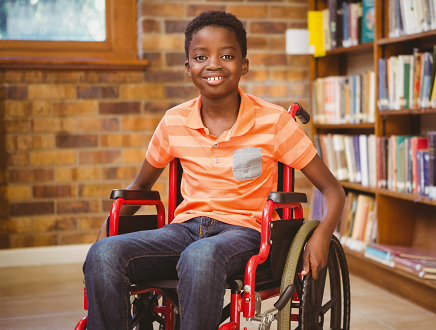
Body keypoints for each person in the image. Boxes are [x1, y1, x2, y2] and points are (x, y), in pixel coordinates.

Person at [83, 10, 345, 330]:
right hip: (184, 229)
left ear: (243, 64)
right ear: (188, 67)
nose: (214, 64)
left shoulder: (274, 122)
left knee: (201, 256)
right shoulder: (174, 122)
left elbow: (333, 189)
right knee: (103, 254)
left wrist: (321, 235)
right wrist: (108, 226)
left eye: (227, 55)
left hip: (245, 232)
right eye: (201, 56)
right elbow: (139, 187)